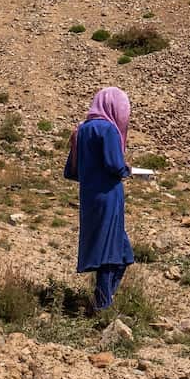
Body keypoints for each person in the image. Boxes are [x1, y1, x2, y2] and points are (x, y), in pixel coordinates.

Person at [64, 86, 135, 310]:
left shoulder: (81, 130)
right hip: (108, 195)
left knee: (119, 251)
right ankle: (103, 306)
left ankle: (103, 300)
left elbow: (71, 171)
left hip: (89, 197)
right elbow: (115, 165)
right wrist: (128, 170)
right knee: (114, 253)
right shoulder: (108, 130)